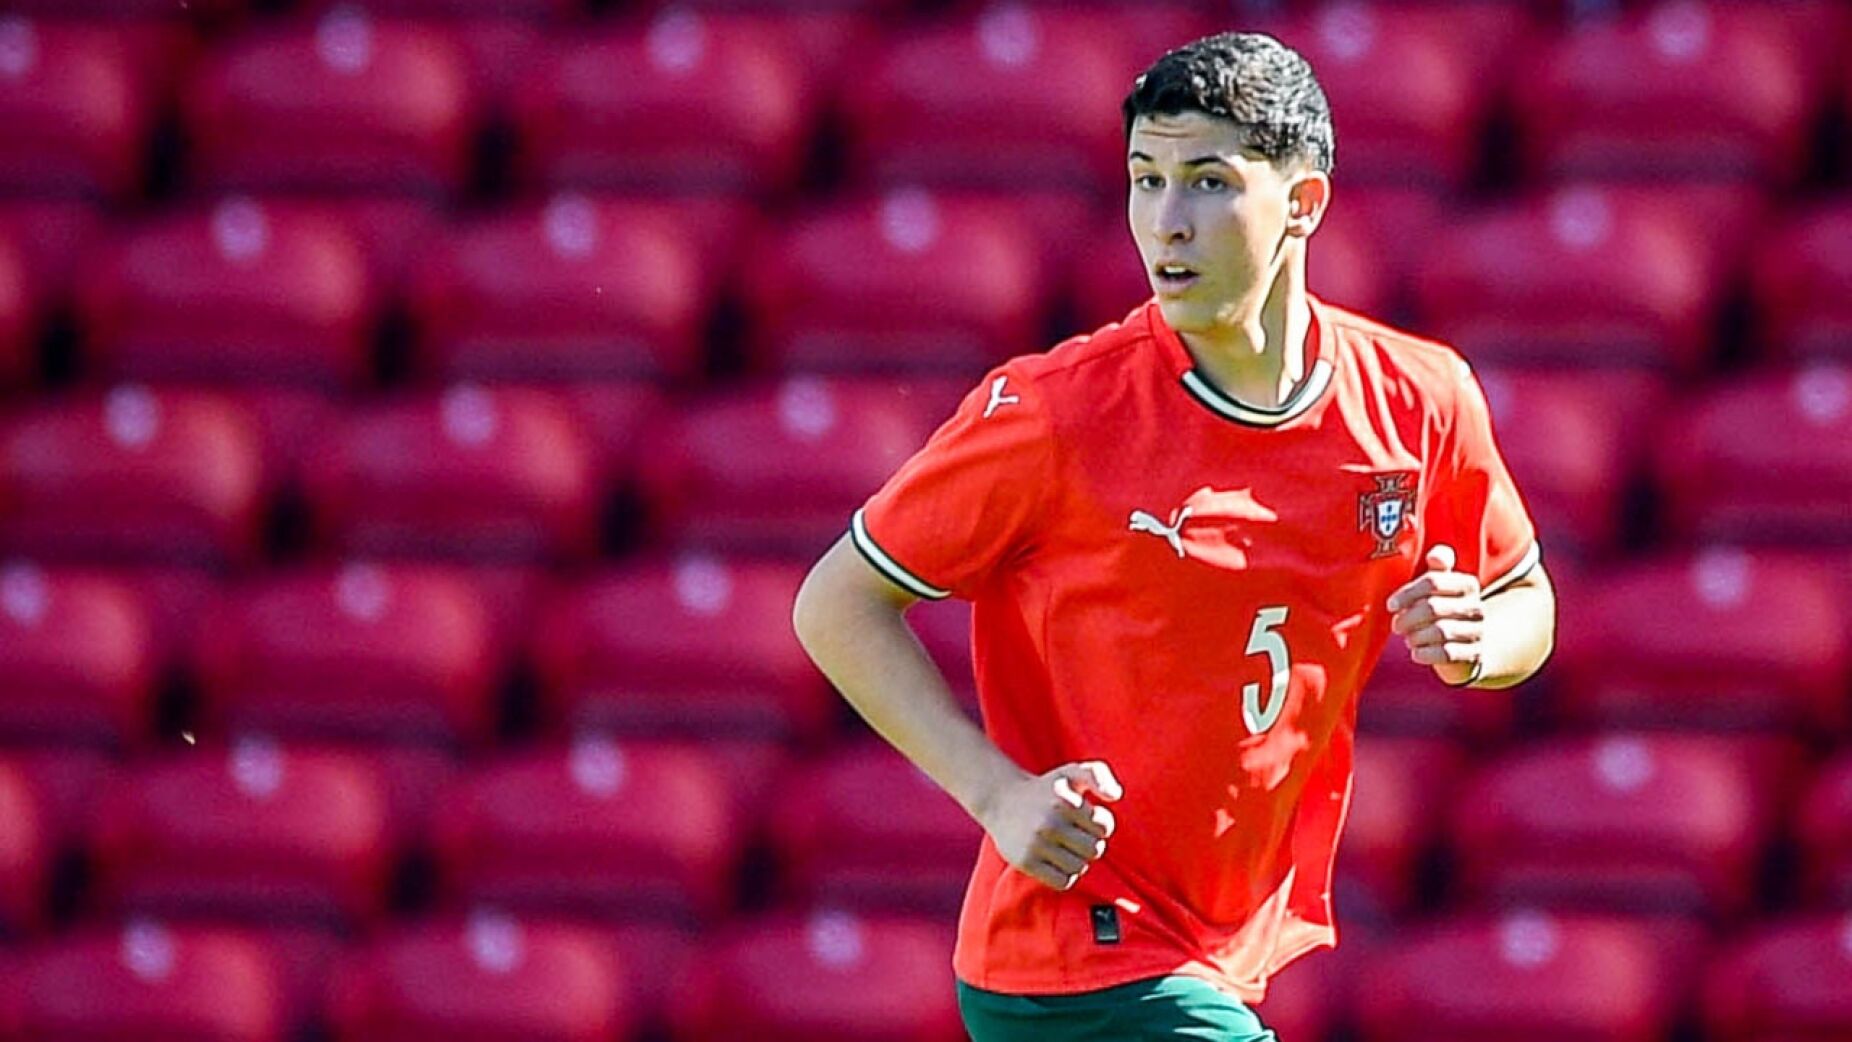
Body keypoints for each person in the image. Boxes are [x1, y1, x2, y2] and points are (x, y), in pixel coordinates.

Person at [791, 30, 1556, 1042]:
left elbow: (1525, 603)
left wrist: (1479, 642)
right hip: (1077, 955)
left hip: (1222, 949)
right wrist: (997, 794)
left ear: (1303, 204)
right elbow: (835, 601)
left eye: (1205, 181)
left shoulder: (1418, 399)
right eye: (1145, 180)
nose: (1166, 221)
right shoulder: (1057, 412)